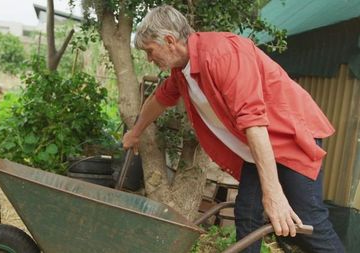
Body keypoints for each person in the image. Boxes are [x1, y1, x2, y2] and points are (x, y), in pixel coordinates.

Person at [122, 5, 345, 253]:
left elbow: (255, 122)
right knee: (248, 213)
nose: (149, 59)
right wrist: (135, 132)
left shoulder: (222, 55)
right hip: (258, 145)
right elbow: (160, 99)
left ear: (170, 41)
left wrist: (273, 195)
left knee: (308, 221)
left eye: (150, 52)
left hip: (290, 136)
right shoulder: (182, 70)